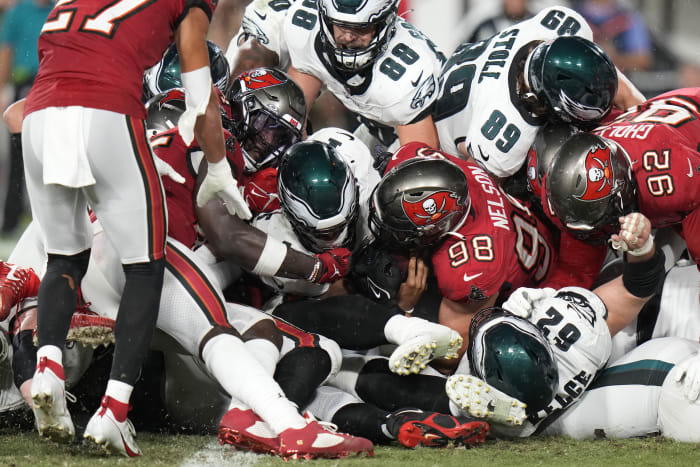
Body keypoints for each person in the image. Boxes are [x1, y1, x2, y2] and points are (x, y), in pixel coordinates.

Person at [22, 0, 251, 455]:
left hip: (40, 112)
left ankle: (46, 364)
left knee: (64, 255)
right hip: (107, 110)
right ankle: (115, 410)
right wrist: (219, 167)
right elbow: (200, 97)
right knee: (146, 266)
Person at [433, 5, 646, 180]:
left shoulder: (561, 26)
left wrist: (647, 132)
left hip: (467, 80)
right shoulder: (506, 128)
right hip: (446, 145)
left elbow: (626, 96)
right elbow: (477, 197)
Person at [544, 87, 700, 268]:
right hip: (666, 124)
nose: (599, 231)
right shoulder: (559, 186)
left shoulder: (671, 174)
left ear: (622, 187)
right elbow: (578, 270)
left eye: (598, 216)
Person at [283, 0, 445, 151]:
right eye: (341, 25)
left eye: (360, 28)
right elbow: (291, 116)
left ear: (383, 23)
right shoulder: (307, 30)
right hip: (379, 129)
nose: (348, 37)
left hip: (444, 144)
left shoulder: (405, 75)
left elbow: (420, 165)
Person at [0, 0, 53, 235]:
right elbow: (6, 50)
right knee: (18, 154)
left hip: (52, 86)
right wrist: (2, 88)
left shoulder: (59, 8)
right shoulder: (18, 12)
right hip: (24, 85)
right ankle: (12, 218)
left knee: (50, 154)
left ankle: (47, 218)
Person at [573, 0, 652, 73]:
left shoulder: (628, 19)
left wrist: (612, 57)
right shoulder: (573, 15)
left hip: (616, 80)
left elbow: (643, 60)